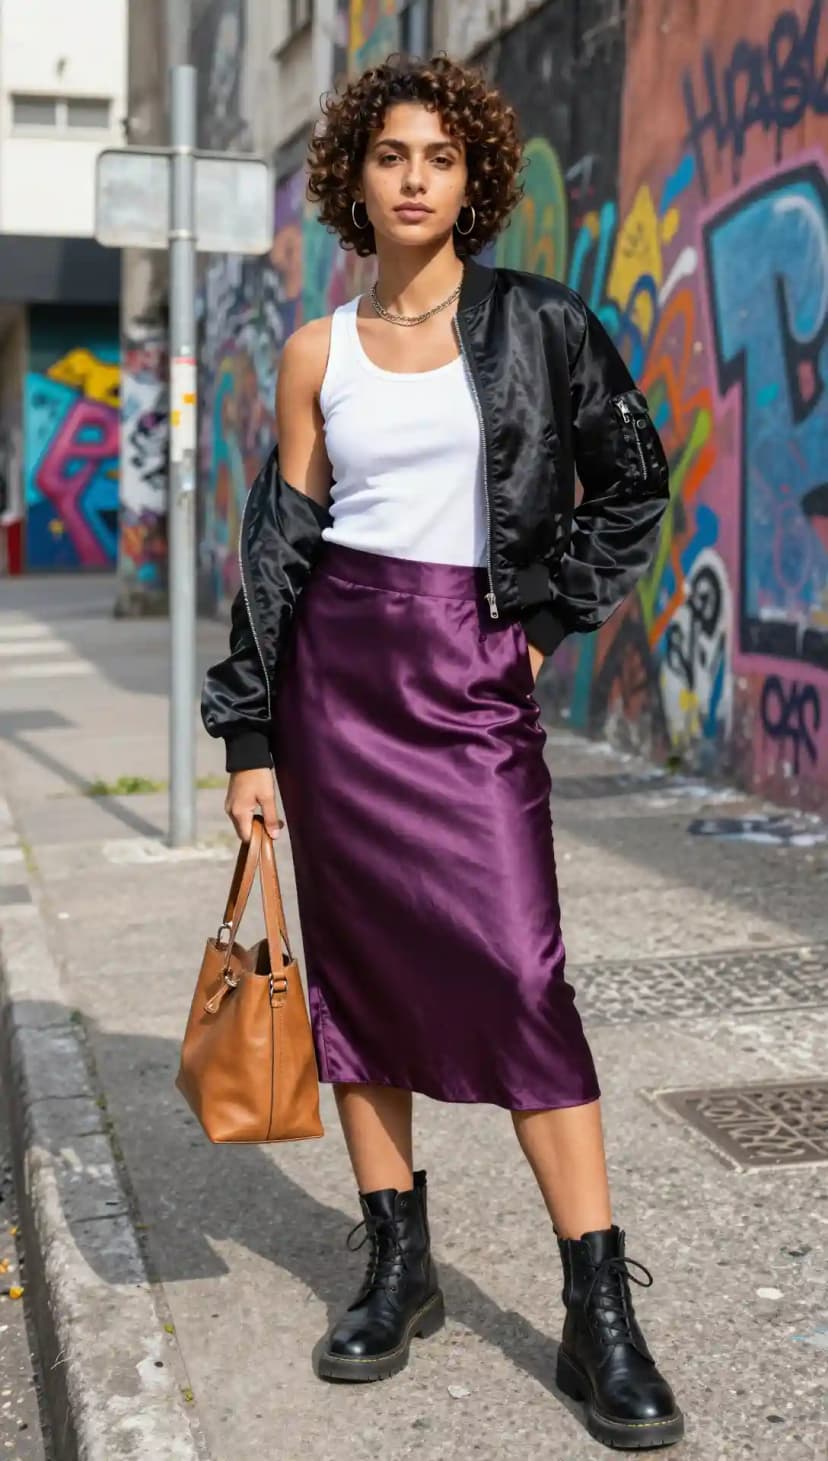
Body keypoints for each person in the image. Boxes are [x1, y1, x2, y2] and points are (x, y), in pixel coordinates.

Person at [201, 53, 683, 1451]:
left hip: (468, 686)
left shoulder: (538, 322)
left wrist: (534, 631)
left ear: (473, 181)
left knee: (522, 976)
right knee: (357, 982)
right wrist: (250, 733)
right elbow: (278, 552)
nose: (415, 178)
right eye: (391, 155)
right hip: (335, 692)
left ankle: (601, 1306)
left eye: (442, 158)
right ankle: (396, 1260)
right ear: (353, 175)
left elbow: (631, 477)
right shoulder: (313, 353)